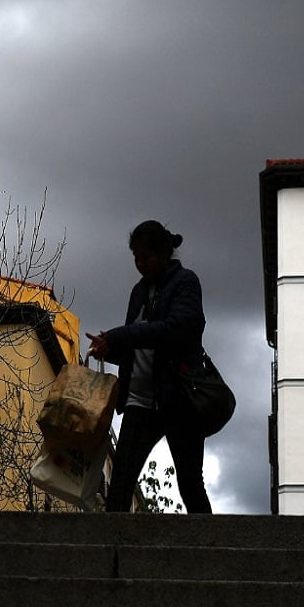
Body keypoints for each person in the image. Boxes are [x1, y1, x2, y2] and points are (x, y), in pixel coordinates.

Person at [86, 220, 212, 514]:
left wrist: (117, 336)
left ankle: (209, 543)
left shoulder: (186, 283)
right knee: (119, 487)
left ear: (164, 254)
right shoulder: (138, 292)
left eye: (146, 257)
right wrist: (109, 348)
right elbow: (137, 347)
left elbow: (173, 330)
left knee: (190, 485)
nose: (140, 264)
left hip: (180, 401)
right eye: (136, 258)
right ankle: (112, 544)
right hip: (139, 402)